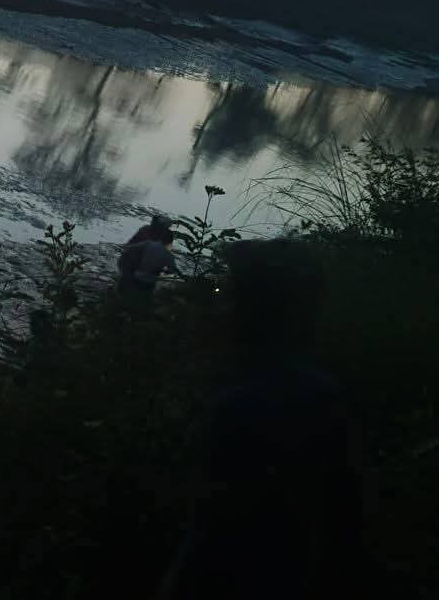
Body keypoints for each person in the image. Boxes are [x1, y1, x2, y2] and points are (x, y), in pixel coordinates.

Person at [159, 241, 363, 600]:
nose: (213, 309)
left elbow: (211, 535)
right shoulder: (322, 392)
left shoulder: (242, 406)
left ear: (253, 313)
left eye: (225, 296)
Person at [117, 231, 178, 319]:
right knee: (144, 303)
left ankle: (126, 315)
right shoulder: (168, 255)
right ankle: (138, 318)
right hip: (150, 281)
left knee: (132, 298)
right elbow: (172, 270)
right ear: (170, 242)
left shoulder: (148, 244)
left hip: (137, 275)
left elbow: (131, 248)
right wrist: (163, 270)